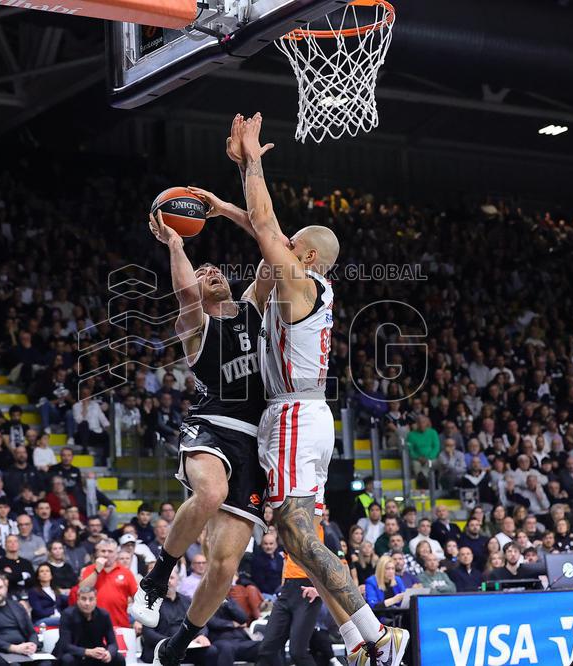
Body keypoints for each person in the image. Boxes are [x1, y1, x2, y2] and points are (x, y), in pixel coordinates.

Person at [234, 114, 407, 665]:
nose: (281, 246)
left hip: (294, 416)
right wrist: (223, 201)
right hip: (299, 414)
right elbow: (263, 231)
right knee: (293, 538)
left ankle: (379, 634)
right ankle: (361, 639)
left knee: (302, 538)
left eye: (291, 245)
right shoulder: (301, 285)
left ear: (305, 257)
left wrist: (255, 164)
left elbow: (265, 230)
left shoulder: (302, 283)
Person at [131, 147, 271, 666]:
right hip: (212, 426)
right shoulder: (196, 327)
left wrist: (223, 204)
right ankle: (157, 577)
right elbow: (187, 294)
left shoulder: (256, 309)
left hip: (257, 440)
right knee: (208, 493)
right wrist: (174, 241)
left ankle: (179, 642)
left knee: (224, 567)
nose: (210, 271)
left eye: (216, 268)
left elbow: (272, 243)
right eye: (203, 268)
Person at [255, 524, 327, 666]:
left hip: (309, 590)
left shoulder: (322, 529)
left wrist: (320, 590)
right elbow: (286, 559)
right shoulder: (290, 527)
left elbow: (340, 565)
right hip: (287, 590)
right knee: (266, 649)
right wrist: (284, 586)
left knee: (297, 653)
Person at [141, 570, 218, 666]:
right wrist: (171, 642)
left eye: (172, 578)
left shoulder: (188, 601)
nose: (168, 581)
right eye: (165, 579)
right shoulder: (150, 603)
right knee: (170, 657)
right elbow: (147, 633)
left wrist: (201, 635)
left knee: (211, 651)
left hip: (186, 648)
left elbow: (201, 623)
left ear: (178, 580)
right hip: (161, 648)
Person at [72, 538, 135, 629]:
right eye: (103, 551)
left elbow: (137, 598)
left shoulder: (126, 572)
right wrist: (97, 571)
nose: (106, 554)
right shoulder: (89, 569)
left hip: (119, 624)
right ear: (97, 553)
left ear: (116, 554)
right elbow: (82, 590)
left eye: (110, 551)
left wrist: (138, 620)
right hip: (91, 625)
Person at [0, 573, 45, 663]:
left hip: (25, 650)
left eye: (0, 587)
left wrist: (32, 645)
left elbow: (32, 632)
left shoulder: (17, 606)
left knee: (47, 663)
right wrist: (14, 648)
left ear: (6, 589)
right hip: (2, 652)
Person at [55, 587, 125, 666]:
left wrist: (109, 653)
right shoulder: (67, 615)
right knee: (67, 659)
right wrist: (88, 652)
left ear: (96, 600)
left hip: (96, 654)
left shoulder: (104, 615)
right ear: (78, 599)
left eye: (91, 599)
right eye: (83, 599)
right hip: (76, 654)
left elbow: (113, 643)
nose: (87, 603)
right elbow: (65, 646)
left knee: (119, 658)